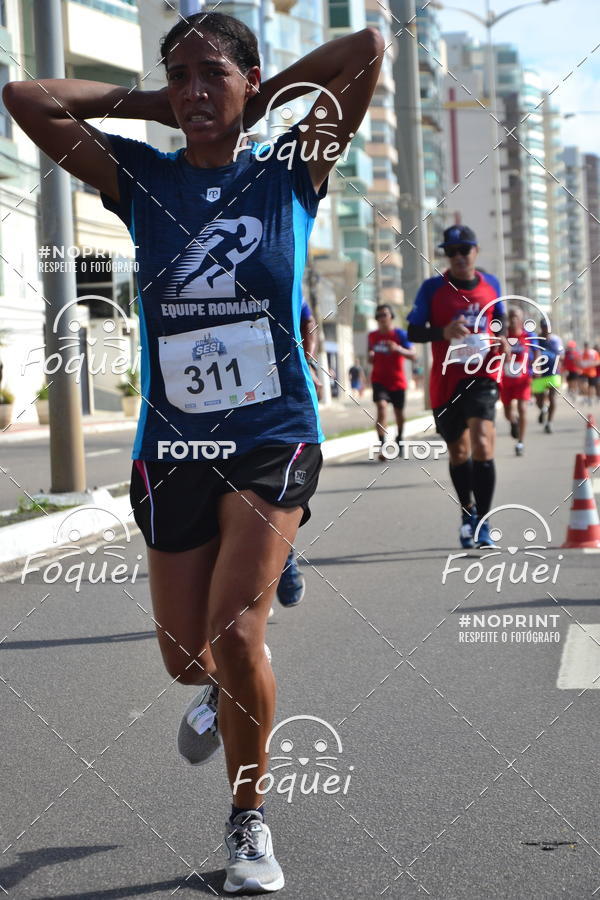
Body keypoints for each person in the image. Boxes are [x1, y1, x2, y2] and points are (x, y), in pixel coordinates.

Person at [4, 12, 384, 893]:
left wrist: (263, 97)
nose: (194, 90)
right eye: (180, 76)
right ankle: (220, 679)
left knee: (238, 631)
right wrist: (153, 105)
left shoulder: (292, 167)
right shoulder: (141, 177)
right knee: (185, 656)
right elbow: (26, 97)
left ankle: (248, 820)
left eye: (213, 73)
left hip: (272, 436)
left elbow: (365, 49)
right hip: (171, 446)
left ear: (249, 80)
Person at [406, 224, 506, 549]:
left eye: (464, 250)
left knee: (482, 442)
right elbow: (413, 332)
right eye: (452, 252)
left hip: (483, 375)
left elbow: (499, 322)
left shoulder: (491, 284)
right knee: (460, 452)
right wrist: (442, 332)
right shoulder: (433, 288)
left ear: (476, 251)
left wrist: (501, 339)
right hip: (446, 382)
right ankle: (468, 513)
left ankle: (485, 523)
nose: (459, 257)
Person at [274, 299, 319, 610]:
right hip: (209, 411)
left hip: (280, 399)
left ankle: (285, 557)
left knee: (279, 492)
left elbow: (308, 318)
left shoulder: (272, 267)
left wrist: (307, 359)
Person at [368, 304, 416, 460]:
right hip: (379, 380)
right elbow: (371, 357)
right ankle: (383, 446)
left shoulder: (400, 334)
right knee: (381, 408)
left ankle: (400, 438)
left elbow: (413, 355)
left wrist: (398, 349)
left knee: (398, 413)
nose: (382, 318)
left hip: (397, 381)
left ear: (391, 317)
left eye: (385, 315)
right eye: (379, 315)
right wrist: (370, 355)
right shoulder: (372, 336)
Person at [500, 307, 534, 456]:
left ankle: (520, 442)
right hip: (505, 380)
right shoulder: (503, 336)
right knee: (507, 413)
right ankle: (514, 422)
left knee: (522, 408)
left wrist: (537, 365)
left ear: (521, 320)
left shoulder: (528, 336)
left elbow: (537, 351)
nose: (513, 319)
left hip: (522, 380)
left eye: (516, 317)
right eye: (511, 316)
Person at [531, 319, 564, 433]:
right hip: (539, 374)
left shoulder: (556, 340)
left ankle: (549, 423)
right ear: (541, 327)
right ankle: (543, 409)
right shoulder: (536, 339)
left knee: (552, 398)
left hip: (553, 373)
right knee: (538, 400)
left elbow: (561, 356)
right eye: (544, 327)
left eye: (548, 327)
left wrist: (560, 372)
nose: (546, 329)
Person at [581, 341, 600, 406]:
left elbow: (598, 361)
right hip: (583, 372)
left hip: (592, 372)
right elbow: (578, 361)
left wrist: (591, 364)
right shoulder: (582, 352)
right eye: (585, 346)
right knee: (584, 385)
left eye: (587, 346)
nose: (586, 347)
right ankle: (586, 397)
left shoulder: (594, 353)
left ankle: (590, 398)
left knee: (591, 386)